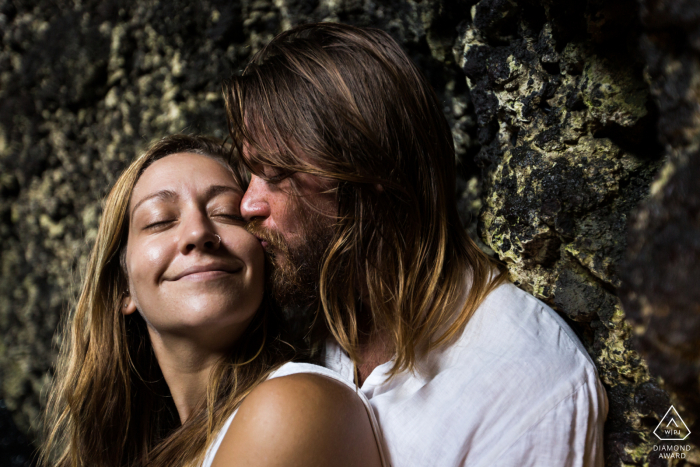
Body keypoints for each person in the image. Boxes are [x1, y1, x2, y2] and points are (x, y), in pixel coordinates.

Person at [225, 22, 608, 466]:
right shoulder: (325, 314)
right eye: (249, 171)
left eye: (275, 173)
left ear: (371, 171)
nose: (248, 203)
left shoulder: (530, 388)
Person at [40, 134, 386, 467]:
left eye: (227, 214)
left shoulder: (293, 404)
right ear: (122, 288)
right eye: (160, 220)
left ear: (267, 259)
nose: (198, 233)